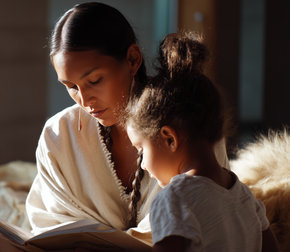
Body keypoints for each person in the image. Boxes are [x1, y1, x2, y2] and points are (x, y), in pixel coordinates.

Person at [25, 2, 229, 237]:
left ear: (132, 59)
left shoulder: (190, 121)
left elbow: (212, 208)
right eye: (71, 87)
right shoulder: (59, 135)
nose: (83, 99)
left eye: (94, 81)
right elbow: (49, 224)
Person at [123, 32, 280, 252]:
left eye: (141, 150)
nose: (142, 165)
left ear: (169, 139)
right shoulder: (243, 195)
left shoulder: (174, 201)